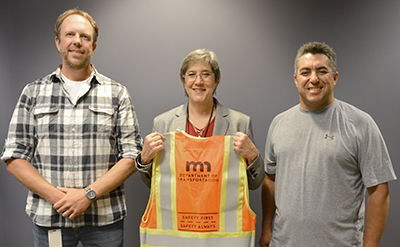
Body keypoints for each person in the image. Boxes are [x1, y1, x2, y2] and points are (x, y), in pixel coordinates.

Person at [1, 9, 142, 247]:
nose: (77, 41)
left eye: (85, 37)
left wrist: (88, 194)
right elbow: (14, 157)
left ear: (94, 46)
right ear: (58, 42)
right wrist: (58, 198)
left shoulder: (117, 93)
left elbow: (132, 155)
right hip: (50, 218)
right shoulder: (33, 92)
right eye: (70, 35)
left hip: (104, 220)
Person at [259, 42, 397, 247]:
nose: (313, 78)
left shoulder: (360, 123)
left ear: (335, 78)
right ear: (296, 80)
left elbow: (379, 191)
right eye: (305, 72)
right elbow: (270, 180)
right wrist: (267, 229)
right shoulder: (279, 123)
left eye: (322, 71)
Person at [136, 48, 265, 245]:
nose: (198, 81)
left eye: (206, 74)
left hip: (219, 237)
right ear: (184, 81)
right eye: (192, 75)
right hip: (178, 235)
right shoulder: (163, 123)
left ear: (216, 81)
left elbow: (254, 185)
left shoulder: (240, 122)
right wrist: (144, 160)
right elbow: (155, 185)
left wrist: (254, 157)